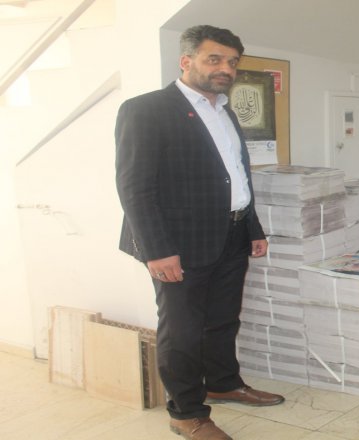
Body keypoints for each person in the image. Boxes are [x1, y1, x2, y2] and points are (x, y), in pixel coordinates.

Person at [115, 25, 284, 440]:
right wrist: (157, 250)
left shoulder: (224, 111)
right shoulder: (146, 109)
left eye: (232, 62)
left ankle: (223, 383)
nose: (225, 68)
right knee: (183, 332)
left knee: (223, 319)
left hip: (231, 236)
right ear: (186, 61)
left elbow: (236, 177)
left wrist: (253, 227)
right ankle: (186, 412)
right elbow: (134, 187)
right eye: (214, 59)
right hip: (177, 245)